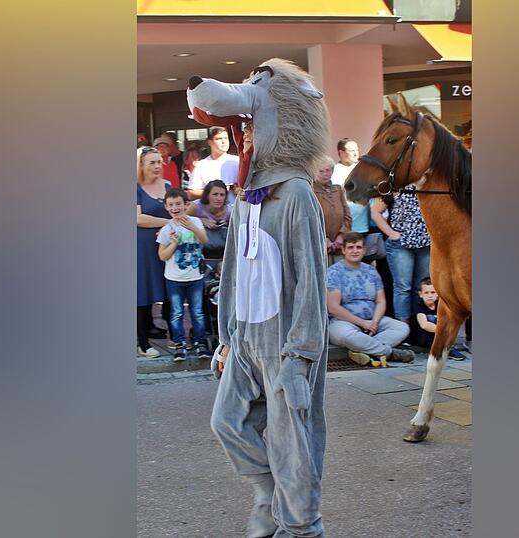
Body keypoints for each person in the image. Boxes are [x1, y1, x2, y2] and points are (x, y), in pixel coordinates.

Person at [189, 58, 330, 538]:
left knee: (295, 443)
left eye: (251, 126)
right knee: (226, 422)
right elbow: (232, 271)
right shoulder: (245, 195)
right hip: (246, 339)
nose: (245, 136)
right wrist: (227, 336)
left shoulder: (295, 195)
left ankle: (302, 525)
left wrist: (301, 354)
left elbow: (311, 280)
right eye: (241, 129)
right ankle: (266, 490)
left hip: (285, 344)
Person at [327, 233, 416, 367]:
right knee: (349, 336)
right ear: (344, 250)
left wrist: (374, 322)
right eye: (351, 247)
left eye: (358, 247)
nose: (355, 251)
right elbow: (333, 308)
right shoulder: (334, 272)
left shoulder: (371, 271)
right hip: (343, 323)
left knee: (402, 328)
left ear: (364, 250)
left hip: (372, 322)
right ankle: (389, 353)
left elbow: (381, 301)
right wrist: (363, 323)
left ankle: (365, 350)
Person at [156, 188, 212, 362]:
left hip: (195, 277)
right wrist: (173, 243)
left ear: (186, 205)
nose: (175, 208)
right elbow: (162, 256)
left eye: (178, 204)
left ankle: (200, 342)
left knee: (197, 312)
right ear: (166, 207)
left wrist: (192, 227)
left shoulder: (195, 221)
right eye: (171, 205)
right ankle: (179, 344)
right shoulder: (167, 229)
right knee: (177, 313)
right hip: (174, 279)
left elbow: (204, 240)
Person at [371, 186, 431, 324]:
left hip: (425, 244)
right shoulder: (396, 187)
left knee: (422, 287)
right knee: (403, 287)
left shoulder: (427, 186)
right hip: (400, 245)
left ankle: (420, 327)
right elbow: (375, 212)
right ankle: (403, 327)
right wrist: (392, 234)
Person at [136, 146, 172, 358]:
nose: (158, 166)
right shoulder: (134, 187)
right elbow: (137, 218)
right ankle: (141, 343)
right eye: (152, 162)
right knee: (142, 292)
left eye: (159, 162)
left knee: (165, 288)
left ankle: (153, 328)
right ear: (141, 165)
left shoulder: (167, 185)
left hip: (166, 246)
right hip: (143, 247)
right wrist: (169, 222)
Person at [410, 277, 466, 360]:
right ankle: (441, 348)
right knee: (431, 319)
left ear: (437, 294)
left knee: (446, 319)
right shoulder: (419, 305)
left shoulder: (440, 304)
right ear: (420, 294)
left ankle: (447, 348)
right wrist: (444, 331)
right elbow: (424, 325)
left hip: (436, 334)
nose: (430, 296)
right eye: (426, 293)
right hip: (421, 337)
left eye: (433, 292)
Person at [312, 155, 351, 266]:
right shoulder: (311, 191)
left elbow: (347, 215)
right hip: (321, 245)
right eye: (321, 171)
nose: (325, 174)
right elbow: (312, 219)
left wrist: (342, 235)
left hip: (340, 244)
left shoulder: (338, 189)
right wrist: (324, 239)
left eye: (328, 170)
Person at [187, 127, 239, 202]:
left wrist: (235, 189)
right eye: (219, 139)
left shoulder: (238, 161)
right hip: (211, 212)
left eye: (226, 138)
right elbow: (191, 193)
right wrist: (214, 191)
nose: (223, 141)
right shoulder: (202, 165)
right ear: (210, 142)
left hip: (236, 209)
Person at [186, 179, 231, 259]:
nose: (218, 198)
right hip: (199, 247)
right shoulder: (196, 206)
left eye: (222, 195)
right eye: (215, 194)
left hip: (222, 248)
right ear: (207, 195)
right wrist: (201, 221)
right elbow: (182, 220)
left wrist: (227, 224)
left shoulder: (229, 211)